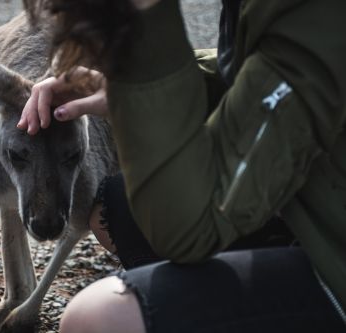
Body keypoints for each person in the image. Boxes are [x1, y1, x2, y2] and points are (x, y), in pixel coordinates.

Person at [19, 0, 346, 331]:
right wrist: (116, 87)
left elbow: (189, 230)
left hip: (334, 255)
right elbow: (267, 64)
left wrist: (146, 27)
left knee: (98, 318)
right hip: (315, 208)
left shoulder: (314, 12)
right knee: (115, 210)